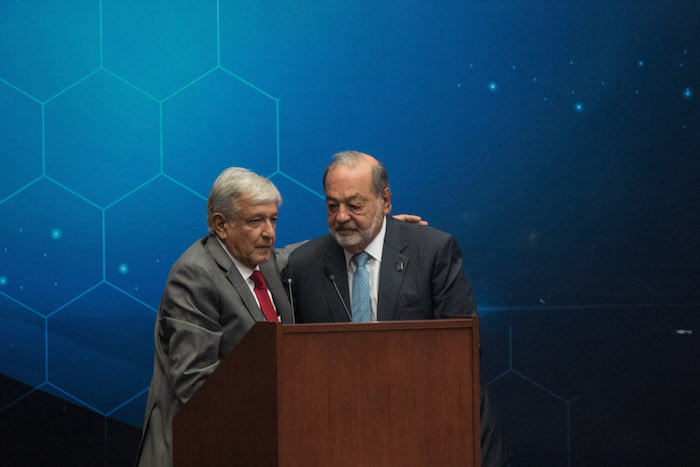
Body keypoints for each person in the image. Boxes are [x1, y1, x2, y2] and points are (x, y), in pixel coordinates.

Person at [283, 150, 510, 466]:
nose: (341, 217)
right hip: (349, 437)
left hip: (436, 426)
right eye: (332, 205)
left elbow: (463, 351)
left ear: (385, 201)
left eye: (355, 205)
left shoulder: (431, 250)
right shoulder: (304, 265)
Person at [136, 167, 293, 467]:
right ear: (221, 225)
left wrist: (380, 233)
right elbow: (197, 386)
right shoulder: (196, 276)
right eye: (256, 221)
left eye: (273, 219)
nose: (269, 232)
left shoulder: (264, 261)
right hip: (199, 448)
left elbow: (298, 253)